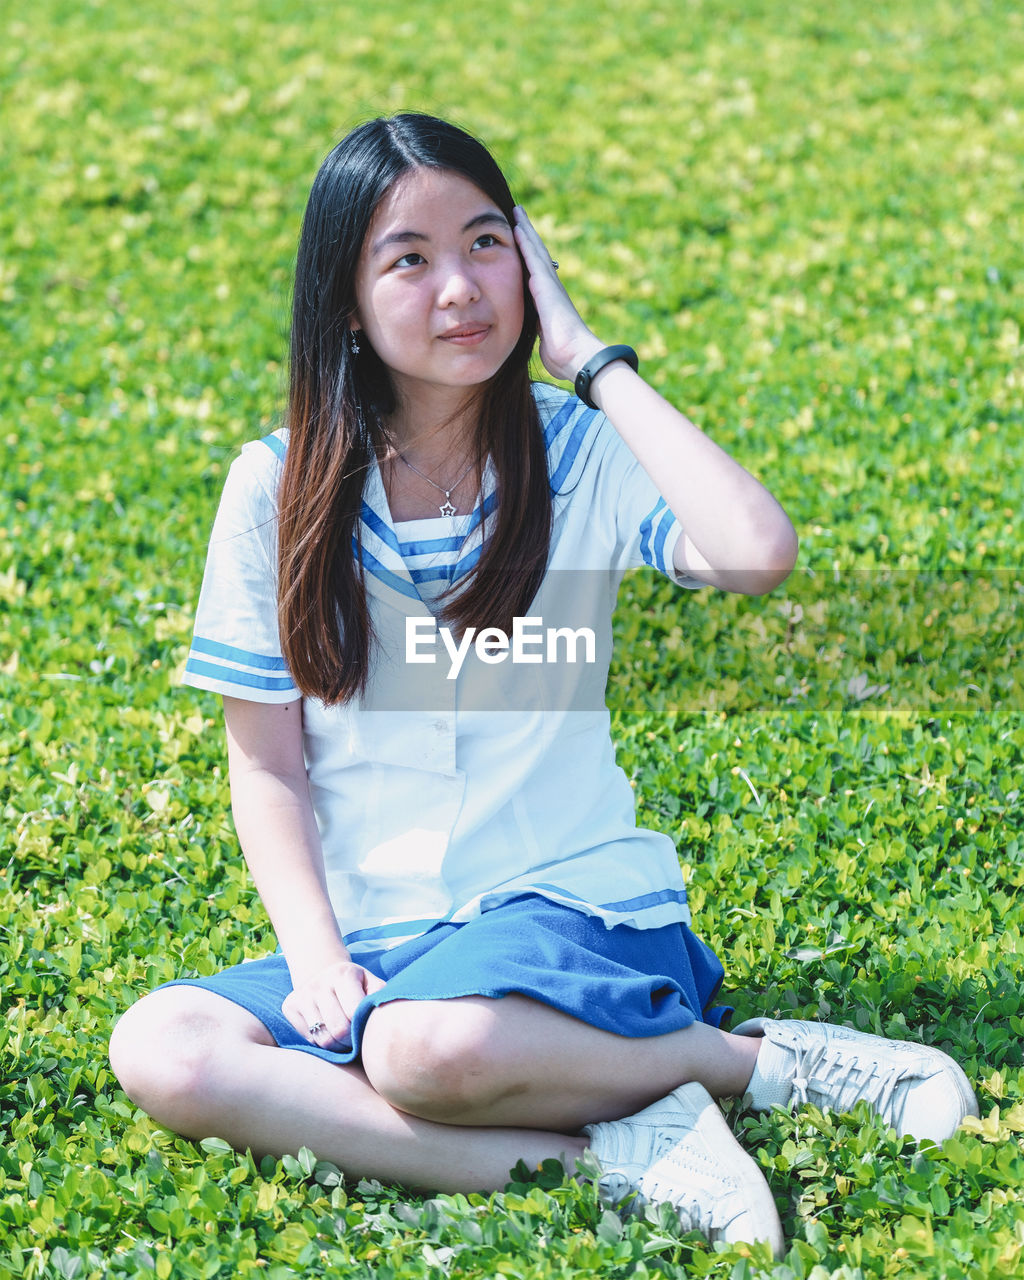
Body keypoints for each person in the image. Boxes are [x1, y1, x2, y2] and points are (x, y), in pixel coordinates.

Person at [109, 113, 978, 1257]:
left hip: (574, 909)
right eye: (408, 258)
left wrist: (592, 360)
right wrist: (319, 955)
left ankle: (750, 1061)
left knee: (421, 1051)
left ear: (528, 258)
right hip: (384, 939)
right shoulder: (277, 487)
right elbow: (264, 761)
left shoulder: (579, 449)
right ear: (346, 299)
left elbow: (758, 550)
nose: (459, 287)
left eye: (484, 243)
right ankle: (616, 1157)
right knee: (163, 1046)